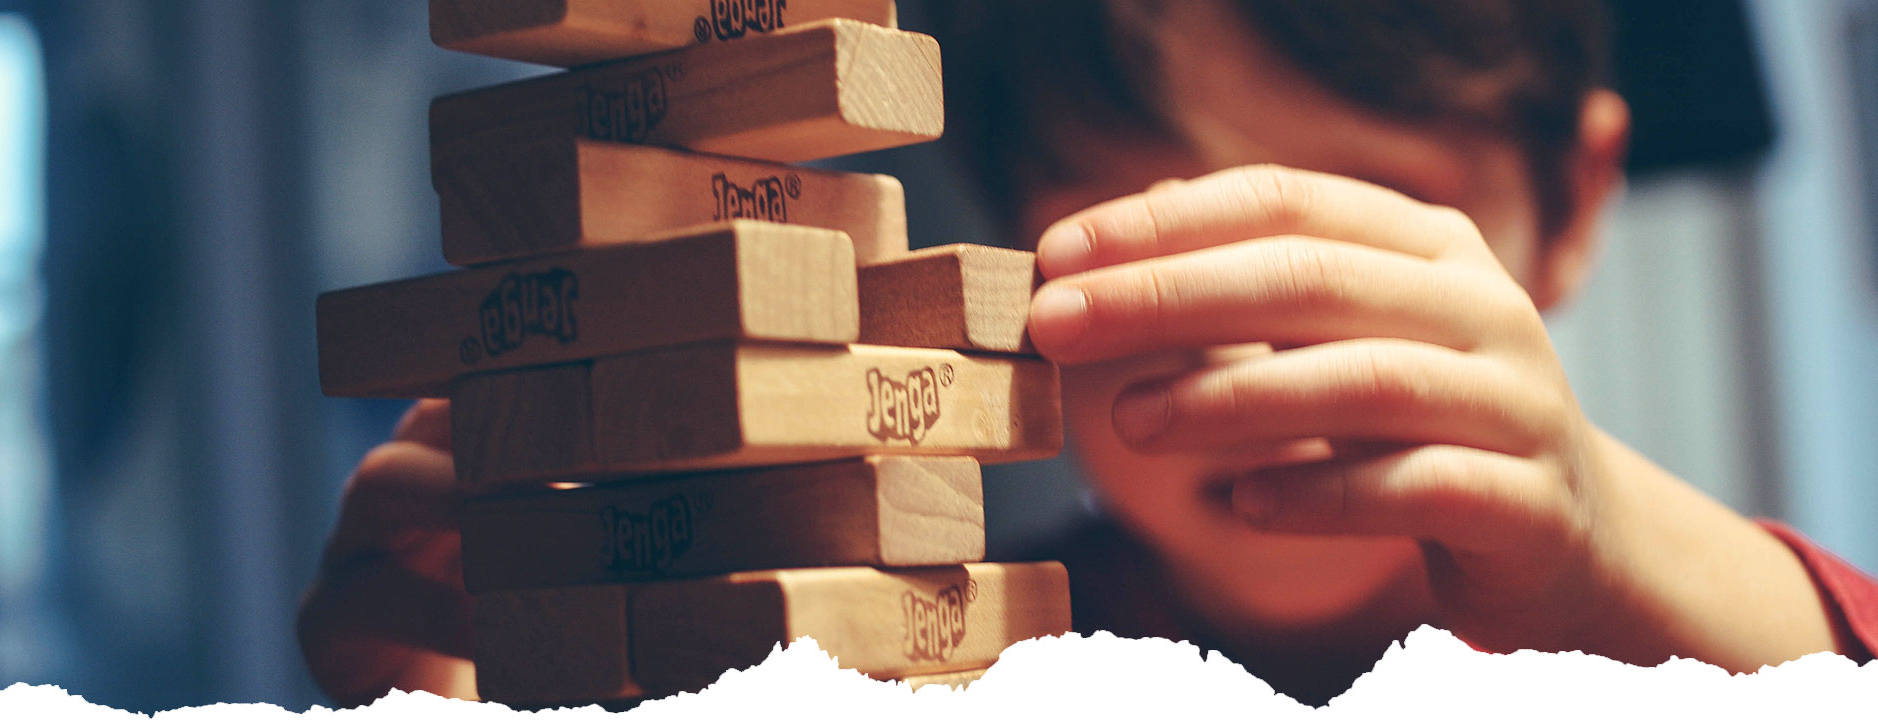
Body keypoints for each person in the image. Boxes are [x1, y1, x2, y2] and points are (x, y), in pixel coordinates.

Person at [298, 0, 1878, 707]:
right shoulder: (941, 669)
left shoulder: (1683, 648)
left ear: (1574, 203)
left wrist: (1633, 563)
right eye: (1153, 231)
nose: (1262, 342)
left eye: (1369, 226)